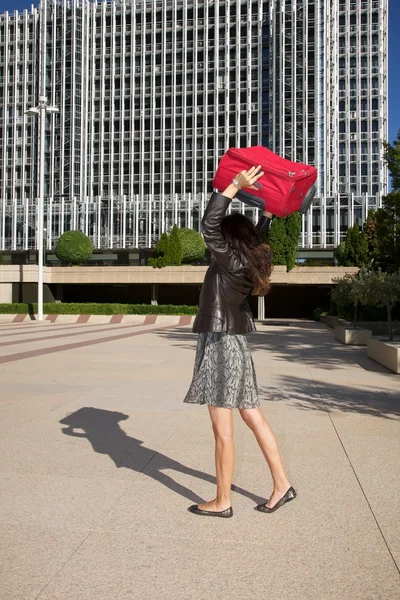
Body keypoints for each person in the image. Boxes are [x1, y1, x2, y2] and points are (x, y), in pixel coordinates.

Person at [184, 165, 296, 518]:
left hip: (220, 345)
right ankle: (282, 485)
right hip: (238, 348)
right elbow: (256, 238)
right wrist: (267, 215)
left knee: (223, 430)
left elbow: (208, 225)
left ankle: (222, 501)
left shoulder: (230, 260)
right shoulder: (248, 262)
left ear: (229, 241)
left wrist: (234, 185)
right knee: (254, 418)